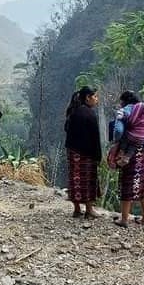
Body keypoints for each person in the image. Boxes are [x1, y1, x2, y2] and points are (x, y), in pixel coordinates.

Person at [112, 90, 144, 228]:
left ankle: (124, 220)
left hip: (129, 155)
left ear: (124, 101)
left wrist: (118, 142)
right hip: (143, 153)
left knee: (127, 184)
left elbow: (119, 131)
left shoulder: (125, 111)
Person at [64, 86, 102, 219]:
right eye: (95, 97)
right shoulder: (89, 114)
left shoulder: (73, 112)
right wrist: (98, 156)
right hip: (87, 153)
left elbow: (66, 130)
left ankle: (76, 209)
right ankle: (89, 210)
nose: (97, 100)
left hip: (72, 152)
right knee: (88, 180)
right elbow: (95, 137)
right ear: (88, 97)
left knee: (75, 180)